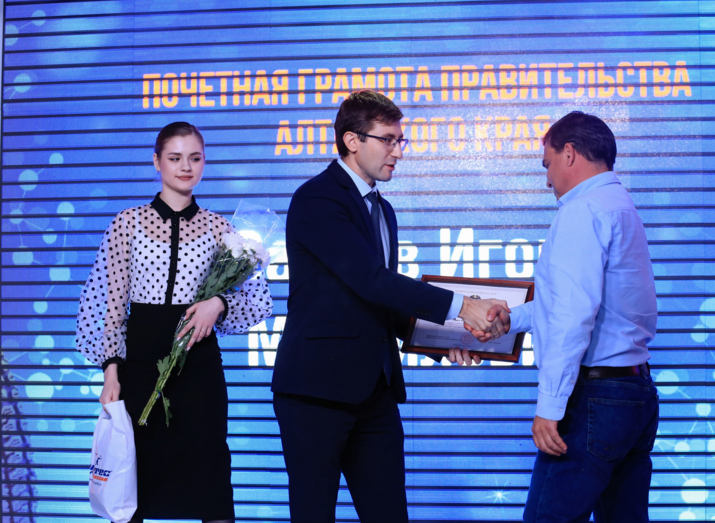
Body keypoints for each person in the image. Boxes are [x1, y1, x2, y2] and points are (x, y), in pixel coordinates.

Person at [271, 90, 506, 523]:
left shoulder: (384, 210)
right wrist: (463, 306)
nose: (398, 152)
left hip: (375, 391)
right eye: (388, 140)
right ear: (351, 140)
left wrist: (444, 340)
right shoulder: (317, 199)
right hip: (315, 393)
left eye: (401, 140)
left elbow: (379, 302)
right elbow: (370, 280)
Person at [457, 111, 659, 522]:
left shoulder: (582, 211)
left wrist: (549, 406)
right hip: (634, 395)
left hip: (594, 400)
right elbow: (583, 304)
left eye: (547, 164)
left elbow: (572, 317)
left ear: (569, 154)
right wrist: (510, 318)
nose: (547, 180)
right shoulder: (619, 205)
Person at [76, 122, 273, 523]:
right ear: (156, 161)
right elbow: (111, 305)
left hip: (199, 372)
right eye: (175, 158)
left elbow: (258, 299)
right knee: (131, 482)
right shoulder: (127, 222)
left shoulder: (220, 228)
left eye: (195, 158)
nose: (186, 167)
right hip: (139, 368)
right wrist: (110, 372)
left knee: (210, 479)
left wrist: (218, 303)